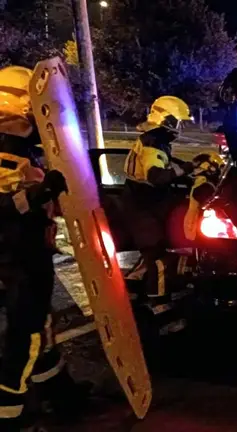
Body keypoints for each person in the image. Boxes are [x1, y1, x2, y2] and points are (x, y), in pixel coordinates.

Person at [0, 65, 90, 429]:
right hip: (18, 260)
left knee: (42, 328)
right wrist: (40, 194)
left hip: (25, 258)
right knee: (27, 336)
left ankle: (60, 393)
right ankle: (9, 416)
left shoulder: (18, 153)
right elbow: (6, 208)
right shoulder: (8, 157)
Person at [123, 96, 195, 303]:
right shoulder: (152, 144)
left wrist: (186, 172)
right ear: (168, 121)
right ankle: (158, 301)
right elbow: (157, 177)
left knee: (151, 253)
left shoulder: (156, 141)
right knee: (157, 256)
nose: (179, 128)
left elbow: (165, 166)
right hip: (143, 206)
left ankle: (133, 287)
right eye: (178, 122)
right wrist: (186, 169)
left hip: (140, 202)